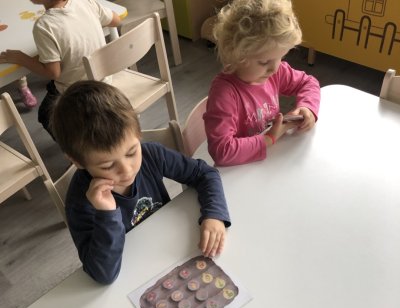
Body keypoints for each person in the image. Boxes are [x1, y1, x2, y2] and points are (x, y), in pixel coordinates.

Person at [50, 80, 231, 285]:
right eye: (108, 166)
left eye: (131, 153)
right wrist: (106, 214)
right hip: (134, 275)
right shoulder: (80, 202)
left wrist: (214, 215)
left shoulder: (150, 154)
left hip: (171, 251)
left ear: (138, 133)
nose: (127, 170)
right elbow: (103, 274)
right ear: (78, 162)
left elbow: (205, 174)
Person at [204, 0, 321, 166]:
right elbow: (222, 151)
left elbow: (309, 83)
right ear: (237, 55)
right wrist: (269, 138)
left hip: (268, 162)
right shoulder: (224, 93)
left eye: (280, 57)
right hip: (240, 169)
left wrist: (307, 107)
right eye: (265, 62)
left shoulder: (276, 72)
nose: (274, 68)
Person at [0, 0, 120, 139]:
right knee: (52, 85)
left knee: (46, 114)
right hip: (103, 79)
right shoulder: (86, 2)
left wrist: (22, 59)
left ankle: (74, 144)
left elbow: (53, 72)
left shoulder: (44, 25)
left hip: (78, 92)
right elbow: (116, 20)